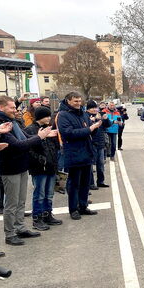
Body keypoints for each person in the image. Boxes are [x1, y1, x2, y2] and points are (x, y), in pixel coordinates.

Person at [0, 95, 52, 245]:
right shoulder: (0, 124)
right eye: (12, 107)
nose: (15, 109)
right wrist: (39, 137)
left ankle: (20, 228)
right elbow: (18, 145)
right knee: (11, 203)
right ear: (1, 108)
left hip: (21, 165)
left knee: (21, 201)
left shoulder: (13, 121)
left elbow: (26, 137)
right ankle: (10, 234)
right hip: (10, 168)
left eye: (15, 107)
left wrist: (41, 135)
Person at [56, 92, 102, 220]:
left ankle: (83, 206)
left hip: (86, 153)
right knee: (74, 184)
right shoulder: (63, 115)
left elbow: (89, 130)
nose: (78, 103)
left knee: (85, 183)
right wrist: (90, 129)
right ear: (68, 101)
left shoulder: (82, 113)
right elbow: (68, 133)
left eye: (79, 101)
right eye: (75, 101)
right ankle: (73, 209)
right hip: (73, 154)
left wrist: (96, 126)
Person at [25, 106, 64, 230]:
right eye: (46, 116)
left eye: (49, 115)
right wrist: (40, 159)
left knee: (49, 193)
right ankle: (37, 218)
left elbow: (54, 147)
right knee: (39, 193)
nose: (49, 118)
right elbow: (29, 148)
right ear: (40, 117)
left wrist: (54, 162)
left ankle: (48, 214)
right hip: (39, 167)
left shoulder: (50, 128)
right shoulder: (30, 129)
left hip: (51, 166)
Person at [85, 101, 110, 189]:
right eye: (92, 108)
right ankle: (91, 183)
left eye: (96, 108)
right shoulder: (86, 116)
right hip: (91, 144)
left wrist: (105, 119)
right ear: (88, 109)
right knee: (90, 165)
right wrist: (92, 121)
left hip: (100, 143)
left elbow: (107, 125)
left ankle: (100, 181)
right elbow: (86, 129)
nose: (95, 109)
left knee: (101, 164)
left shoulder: (99, 115)